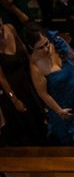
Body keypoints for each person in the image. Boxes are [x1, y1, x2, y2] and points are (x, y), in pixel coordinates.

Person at [25, 22, 74, 146]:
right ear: (31, 47)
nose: (46, 49)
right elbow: (43, 94)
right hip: (64, 106)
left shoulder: (58, 42)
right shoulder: (35, 66)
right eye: (40, 47)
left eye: (46, 43)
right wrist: (59, 111)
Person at [0, 18, 46, 146]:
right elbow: (1, 78)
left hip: (28, 80)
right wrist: (14, 99)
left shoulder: (11, 27)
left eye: (1, 27)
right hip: (14, 88)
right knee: (26, 123)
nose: (1, 31)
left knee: (38, 113)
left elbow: (25, 51)